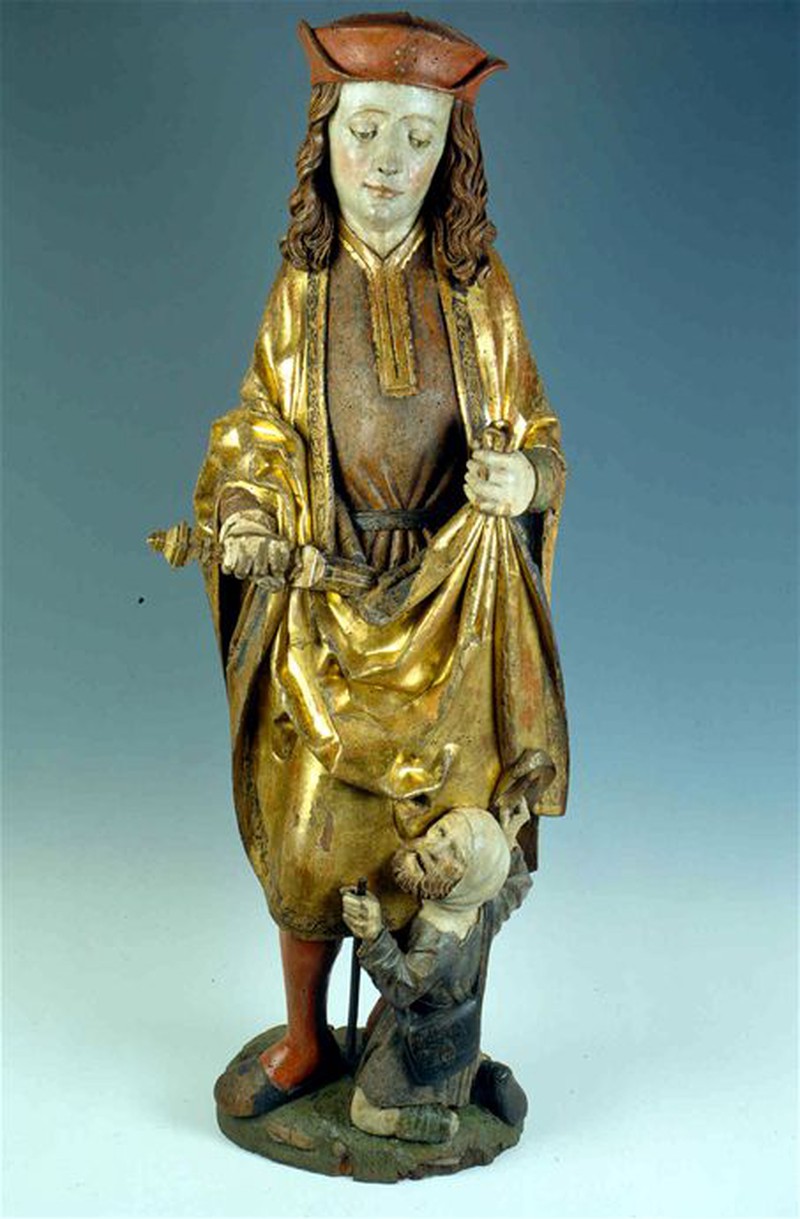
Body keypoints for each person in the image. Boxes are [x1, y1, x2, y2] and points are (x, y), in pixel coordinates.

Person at [197, 13, 569, 1119]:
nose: (388, 164)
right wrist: (251, 505)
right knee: (313, 828)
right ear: (322, 138)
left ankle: (432, 1039)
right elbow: (259, 422)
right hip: (329, 591)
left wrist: (525, 478)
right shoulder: (303, 288)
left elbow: (538, 430)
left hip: (456, 605)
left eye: (418, 136)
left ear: (452, 152)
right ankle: (308, 1039)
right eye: (365, 131)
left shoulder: (477, 288)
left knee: (452, 832)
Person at [341, 804, 531, 1143]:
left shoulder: (439, 935)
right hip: (459, 1032)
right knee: (451, 1066)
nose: (433, 848)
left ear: (470, 878)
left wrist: (374, 934)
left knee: (363, 1110)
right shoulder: (484, 908)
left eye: (454, 854)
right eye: (441, 831)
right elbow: (515, 884)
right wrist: (508, 839)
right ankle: (478, 1079)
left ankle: (420, 1119)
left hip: (417, 1036)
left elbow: (402, 988)